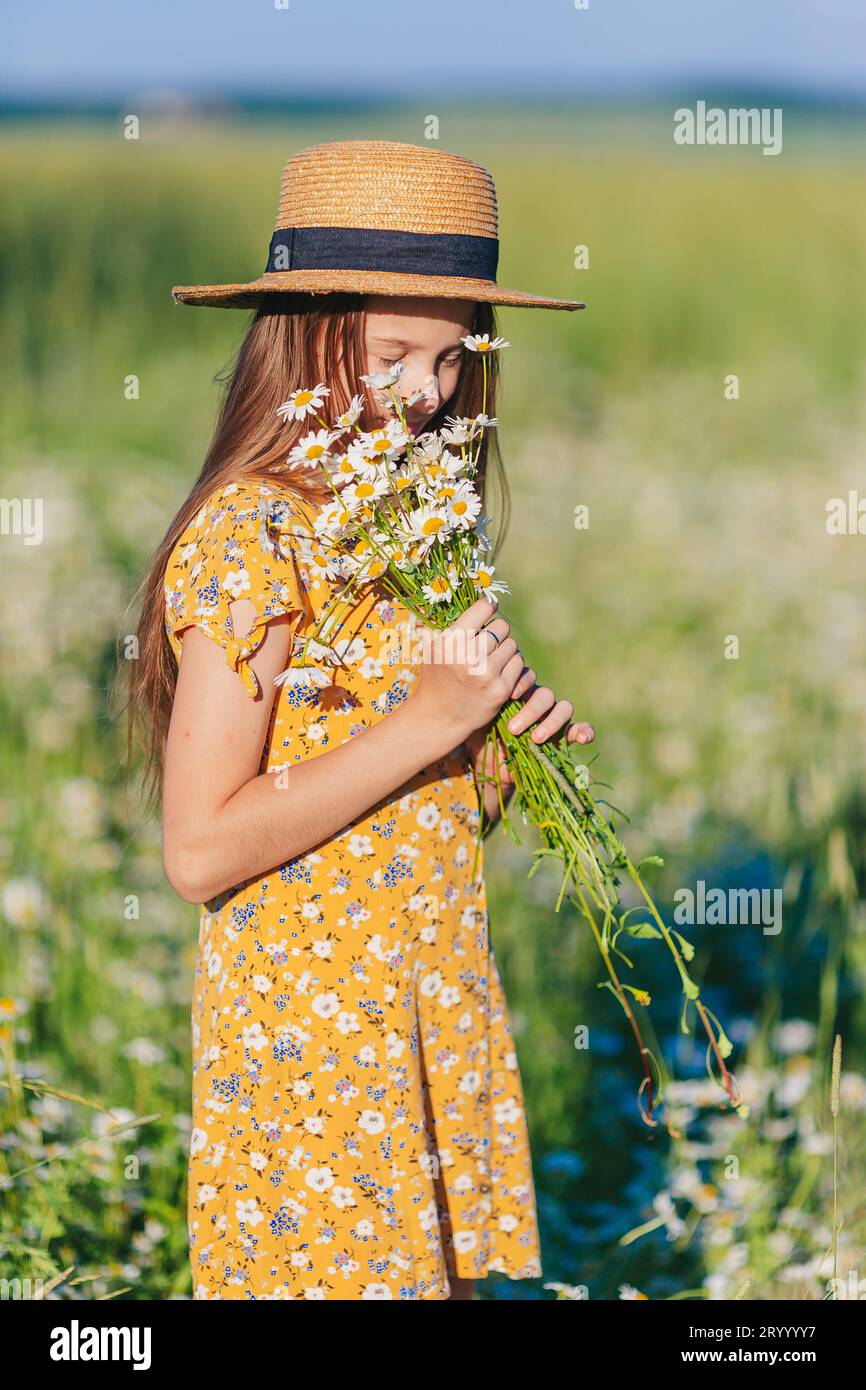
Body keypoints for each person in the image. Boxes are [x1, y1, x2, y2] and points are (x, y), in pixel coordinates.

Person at [130, 138, 594, 1301]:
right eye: (393, 352)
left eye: (450, 358)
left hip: (429, 1018)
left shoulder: (406, 532)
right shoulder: (253, 539)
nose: (429, 392)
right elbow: (199, 848)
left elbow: (409, 810)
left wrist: (492, 748)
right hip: (314, 1055)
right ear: (306, 332)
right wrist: (429, 716)